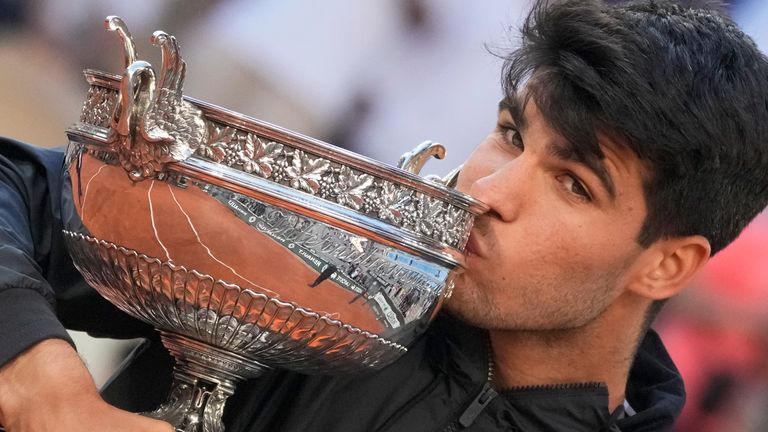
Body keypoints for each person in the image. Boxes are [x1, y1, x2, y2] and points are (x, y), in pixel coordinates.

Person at [1, 0, 768, 430]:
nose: (487, 192)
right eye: (510, 136)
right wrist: (46, 388)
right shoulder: (335, 260)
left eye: (574, 185)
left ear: (668, 264)